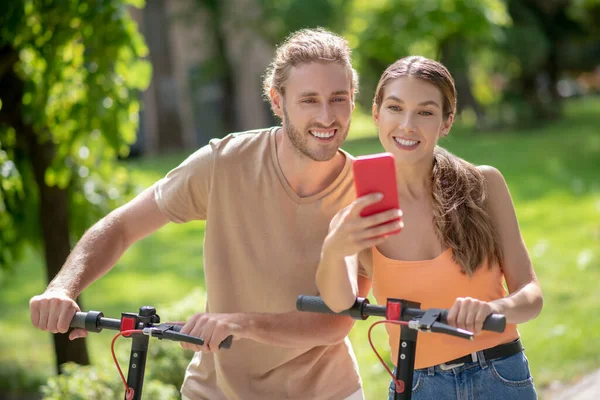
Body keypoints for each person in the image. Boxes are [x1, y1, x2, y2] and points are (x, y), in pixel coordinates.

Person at [29, 28, 371, 400]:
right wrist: (63, 287)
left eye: (338, 98)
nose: (326, 116)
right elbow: (124, 225)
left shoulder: (365, 191)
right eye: (309, 100)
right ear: (277, 101)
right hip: (215, 391)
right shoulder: (225, 163)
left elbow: (335, 323)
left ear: (353, 99)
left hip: (326, 392)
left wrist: (239, 323)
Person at [315, 56, 543, 399]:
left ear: (446, 122)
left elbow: (531, 296)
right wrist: (334, 250)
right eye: (395, 108)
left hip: (501, 374)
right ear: (376, 114)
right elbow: (340, 301)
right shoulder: (356, 217)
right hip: (420, 386)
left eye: (425, 112)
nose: (407, 125)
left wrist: (493, 309)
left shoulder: (483, 185)